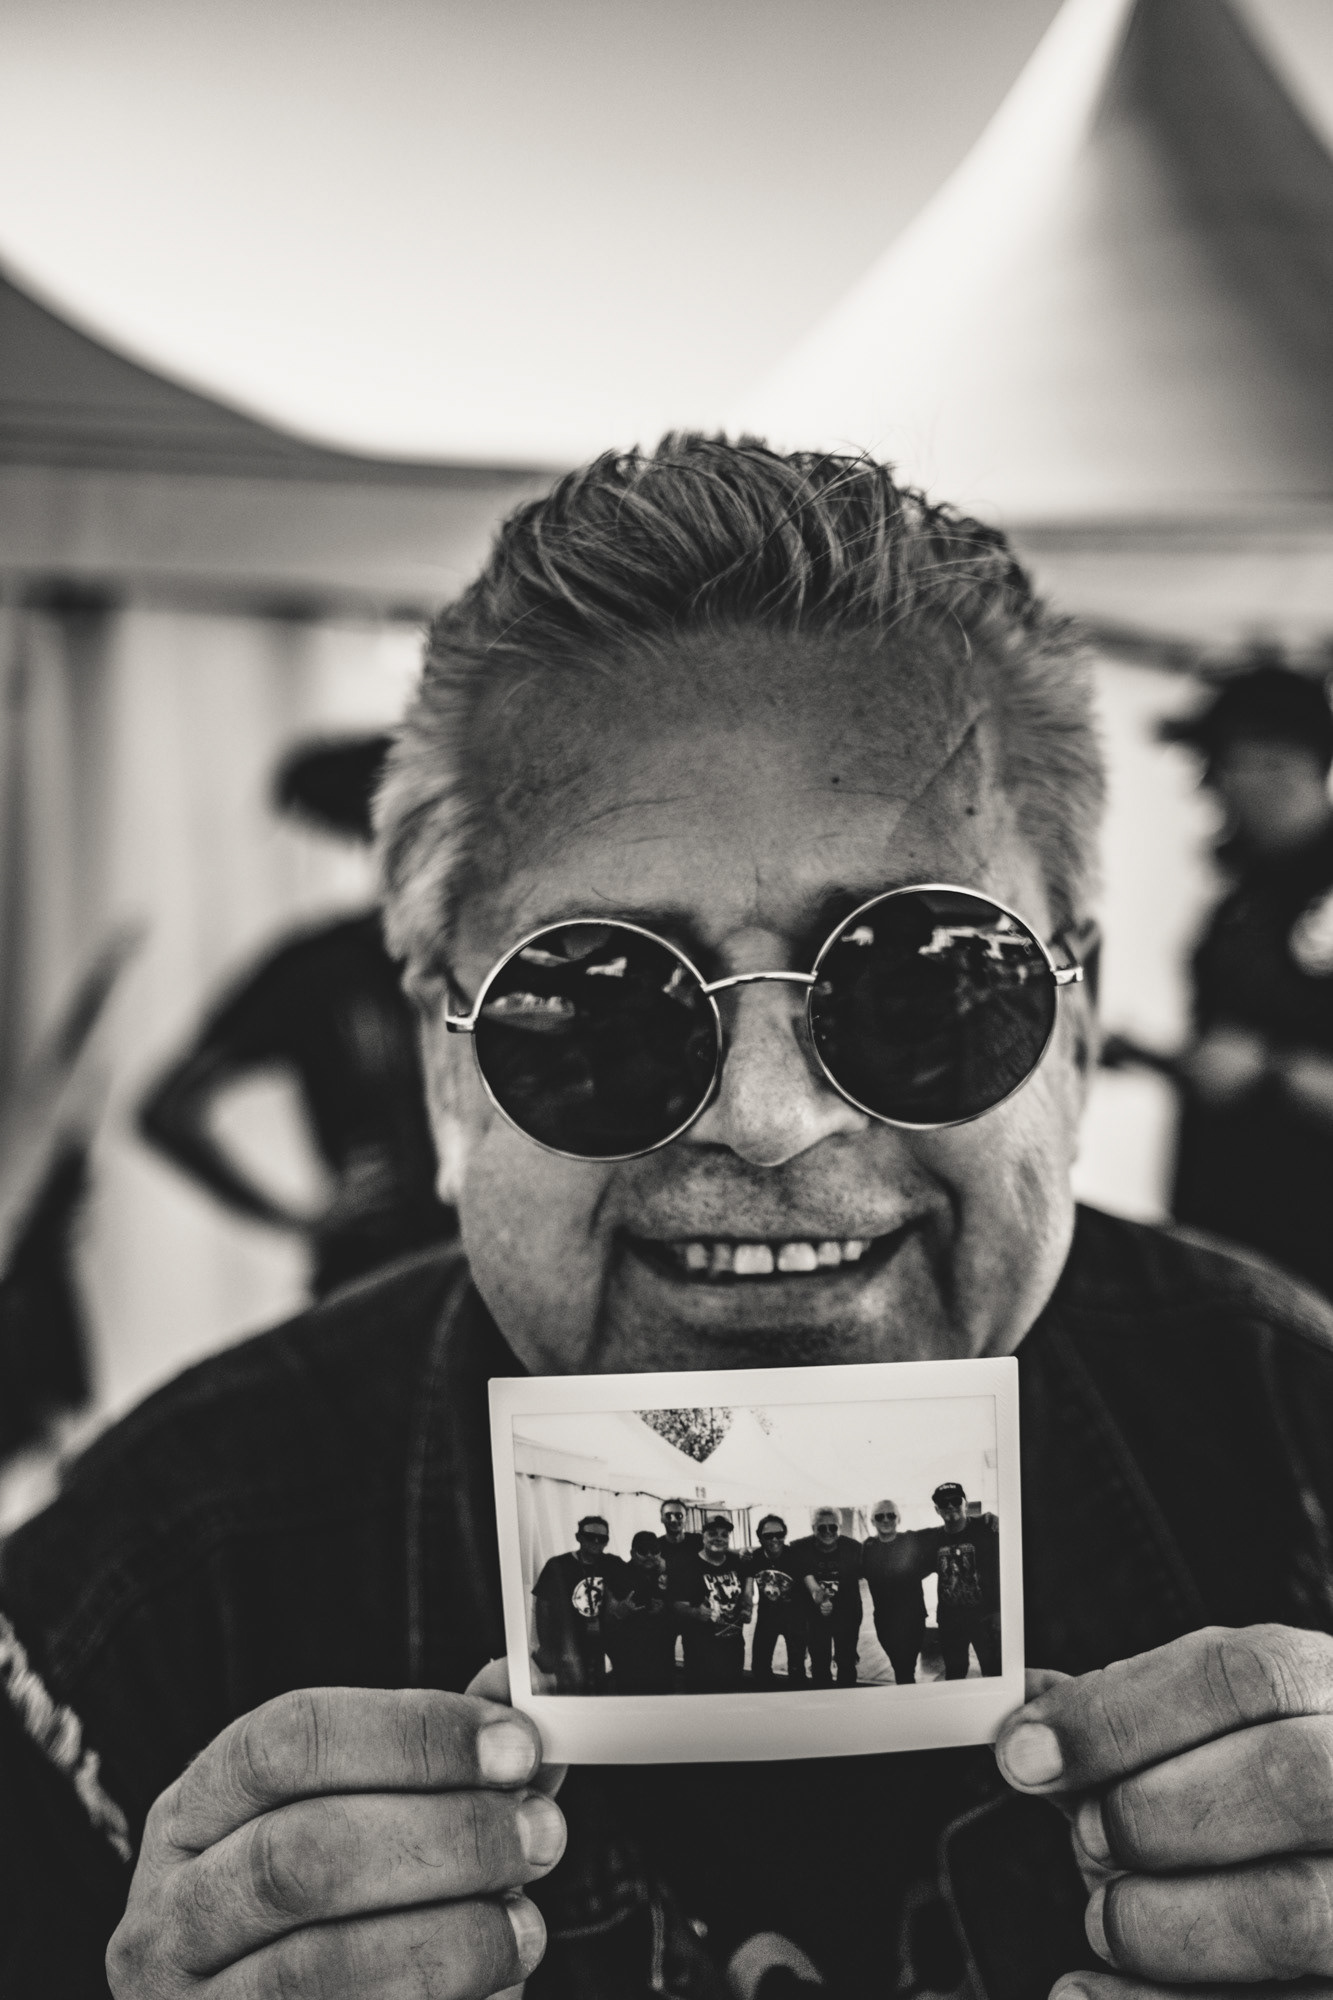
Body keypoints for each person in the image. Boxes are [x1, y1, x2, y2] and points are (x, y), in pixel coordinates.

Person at [8, 439, 1333, 1999]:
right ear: (444, 1071)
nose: (767, 1119)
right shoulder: (153, 1588)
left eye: (923, 984)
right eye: (594, 1006)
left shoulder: (1296, 1439)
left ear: (1081, 1028)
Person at [137, 734, 456, 1296]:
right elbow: (168, 1109)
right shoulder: (318, 970)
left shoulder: (502, 955)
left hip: (497, 1269)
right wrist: (304, 1220)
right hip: (375, 1281)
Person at [1160, 665, 1333, 1298]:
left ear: (1287, 763)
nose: (1208, 787)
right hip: (1224, 1235)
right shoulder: (1247, 897)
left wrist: (1271, 1071)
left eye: (1221, 763)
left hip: (1310, 1259)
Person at [530, 1515, 618, 1694]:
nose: (596, 1541)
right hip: (566, 1645)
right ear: (578, 1537)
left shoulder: (611, 1564)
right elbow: (542, 1607)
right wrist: (546, 1645)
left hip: (599, 1644)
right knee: (571, 1691)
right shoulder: (558, 1565)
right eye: (590, 1536)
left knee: (598, 1690)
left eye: (602, 1538)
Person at [924, 1484, 1002, 1680]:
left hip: (985, 1618)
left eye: (956, 1500)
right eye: (944, 1503)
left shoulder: (987, 1529)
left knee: (993, 1671)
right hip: (950, 1621)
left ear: (966, 1504)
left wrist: (999, 1611)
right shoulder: (932, 1538)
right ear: (937, 1509)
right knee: (955, 1673)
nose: (950, 1506)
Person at [671, 1516, 752, 1692]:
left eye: (724, 1535)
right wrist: (695, 1612)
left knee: (732, 1695)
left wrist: (747, 1605)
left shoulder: (736, 1562)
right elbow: (676, 1605)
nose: (719, 1538)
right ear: (703, 1536)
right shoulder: (687, 1565)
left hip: (733, 1647)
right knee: (702, 1697)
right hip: (701, 1651)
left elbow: (748, 1582)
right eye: (713, 1533)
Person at [791, 1507, 864, 1689]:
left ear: (840, 1527)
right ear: (813, 1528)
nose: (828, 1532)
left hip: (847, 1613)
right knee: (819, 1663)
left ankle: (848, 1700)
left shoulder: (854, 1548)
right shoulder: (800, 1548)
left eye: (833, 1527)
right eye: (822, 1528)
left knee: (846, 1662)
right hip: (815, 1616)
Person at [861, 1498, 929, 1686]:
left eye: (891, 1515)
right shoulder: (868, 1547)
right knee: (900, 1666)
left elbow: (942, 1532)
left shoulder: (911, 1540)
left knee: (906, 1668)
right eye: (879, 1516)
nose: (885, 1520)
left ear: (899, 1518)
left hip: (913, 1618)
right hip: (885, 1621)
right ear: (872, 1521)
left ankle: (907, 1695)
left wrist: (984, 1519)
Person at [604, 1531, 676, 1694]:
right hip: (631, 1656)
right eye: (643, 1551)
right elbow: (608, 1616)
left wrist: (665, 1607)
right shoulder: (619, 1574)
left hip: (662, 1653)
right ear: (632, 1553)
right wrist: (619, 1612)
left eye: (654, 1551)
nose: (649, 1555)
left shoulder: (665, 1572)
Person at [745, 1515, 808, 1688]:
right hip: (767, 1618)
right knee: (760, 1666)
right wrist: (747, 1606)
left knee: (797, 1669)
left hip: (794, 1619)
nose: (774, 1539)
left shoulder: (796, 1556)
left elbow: (809, 1584)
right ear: (760, 1538)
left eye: (779, 1534)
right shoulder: (755, 1557)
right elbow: (748, 1587)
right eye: (768, 1535)